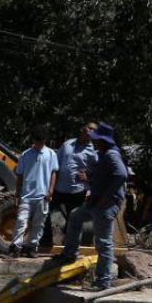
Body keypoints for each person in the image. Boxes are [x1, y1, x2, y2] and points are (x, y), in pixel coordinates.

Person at [58, 123, 127, 291]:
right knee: (75, 216)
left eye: (97, 140)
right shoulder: (103, 154)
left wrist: (106, 196)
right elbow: (103, 176)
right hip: (95, 201)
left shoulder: (111, 154)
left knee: (103, 243)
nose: (94, 142)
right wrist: (88, 179)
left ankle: (103, 281)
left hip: (105, 205)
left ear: (104, 141)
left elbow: (121, 174)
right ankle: (69, 254)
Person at [10, 127, 58, 256]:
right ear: (34, 140)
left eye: (42, 141)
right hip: (26, 194)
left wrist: (51, 190)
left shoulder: (51, 154)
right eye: (38, 141)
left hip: (43, 195)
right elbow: (20, 175)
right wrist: (17, 193)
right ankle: (16, 246)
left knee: (38, 223)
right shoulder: (25, 154)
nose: (40, 144)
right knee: (21, 220)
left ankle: (33, 246)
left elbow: (53, 172)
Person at [53, 122, 98, 228]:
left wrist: (88, 177)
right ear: (82, 128)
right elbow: (55, 162)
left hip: (77, 191)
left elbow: (98, 171)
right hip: (59, 188)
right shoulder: (67, 144)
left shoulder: (93, 151)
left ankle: (68, 243)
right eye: (90, 128)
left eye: (94, 131)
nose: (92, 131)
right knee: (45, 213)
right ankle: (47, 240)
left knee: (72, 221)